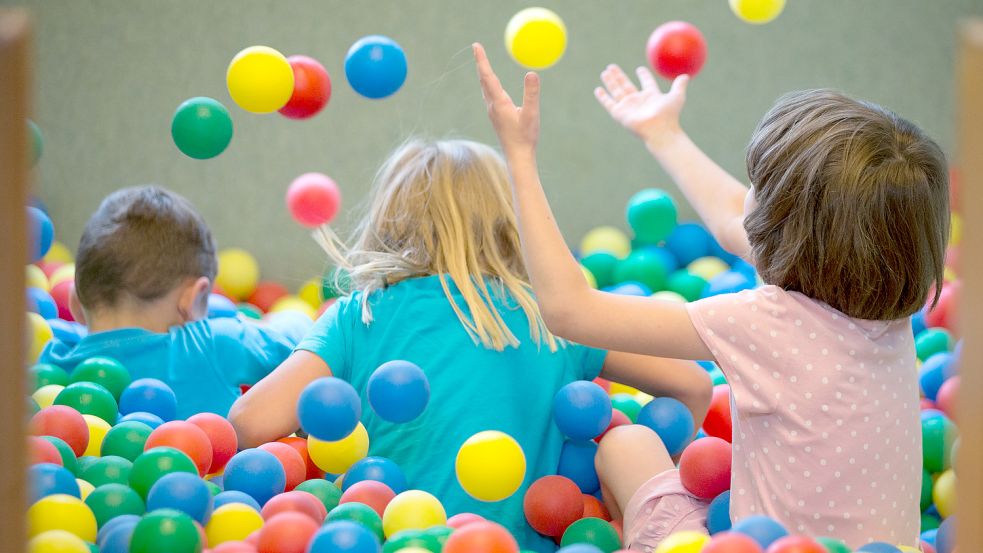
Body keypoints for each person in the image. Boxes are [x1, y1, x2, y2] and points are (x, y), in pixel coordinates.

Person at [472, 42, 948, 550]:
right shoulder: (890, 297)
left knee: (626, 444)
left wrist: (519, 157)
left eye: (756, 186)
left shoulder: (766, 322)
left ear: (781, 228)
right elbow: (731, 218)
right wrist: (663, 133)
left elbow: (569, 310)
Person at [228, 138, 710, 552]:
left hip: (398, 540)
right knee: (630, 441)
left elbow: (248, 425)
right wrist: (640, 491)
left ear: (391, 222)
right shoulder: (554, 316)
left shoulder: (359, 316)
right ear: (510, 222)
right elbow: (692, 385)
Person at [40, 185, 308, 418]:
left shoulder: (52, 364)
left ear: (76, 304)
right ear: (193, 300)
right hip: (208, 476)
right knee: (294, 320)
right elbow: (307, 354)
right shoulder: (217, 343)